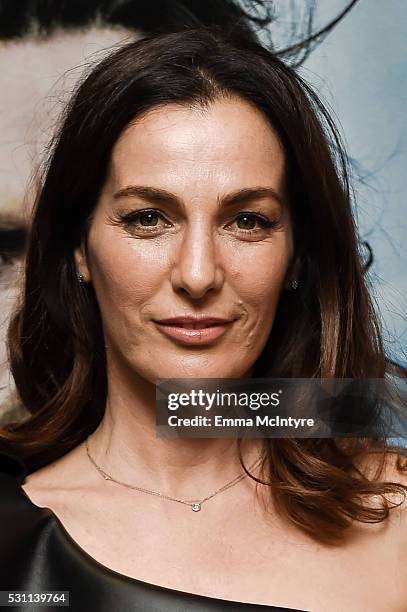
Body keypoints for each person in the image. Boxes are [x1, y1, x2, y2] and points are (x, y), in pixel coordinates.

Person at [0, 26, 406, 611]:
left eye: (247, 221)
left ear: (296, 256)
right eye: (147, 217)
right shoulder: (14, 541)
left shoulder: (396, 510)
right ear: (79, 250)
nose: (197, 274)